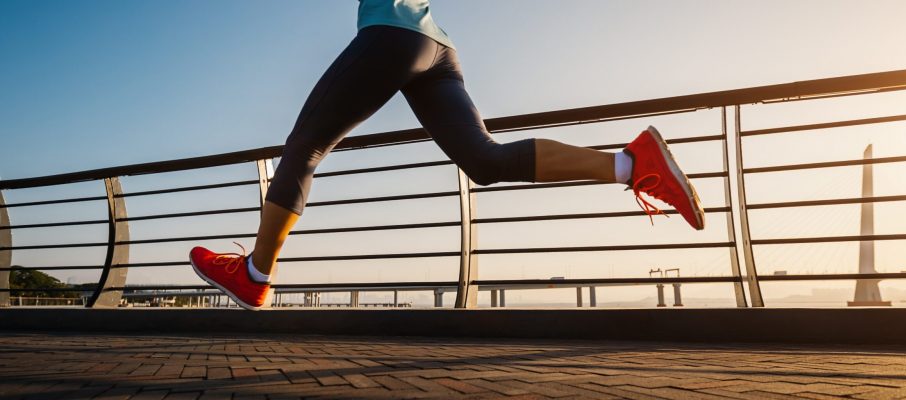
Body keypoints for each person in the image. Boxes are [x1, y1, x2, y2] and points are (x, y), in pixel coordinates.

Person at [189, 0, 705, 311]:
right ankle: (631, 165)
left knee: (305, 147)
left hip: (392, 34)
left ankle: (255, 276)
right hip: (439, 49)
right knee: (483, 160)